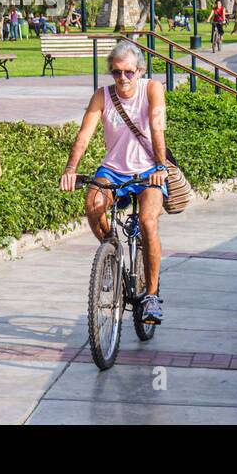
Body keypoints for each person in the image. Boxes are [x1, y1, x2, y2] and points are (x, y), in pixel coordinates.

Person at [59, 40, 170, 326]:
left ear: (140, 71)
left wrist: (159, 166)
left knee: (148, 222)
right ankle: (111, 253)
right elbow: (84, 135)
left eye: (128, 72)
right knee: (93, 204)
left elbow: (157, 126)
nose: (123, 79)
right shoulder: (102, 96)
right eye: (117, 72)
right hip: (114, 170)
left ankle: (152, 296)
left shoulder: (152, 89)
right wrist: (71, 168)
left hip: (148, 171)